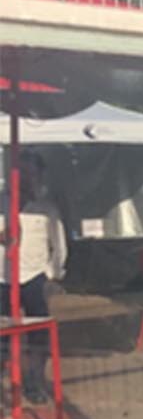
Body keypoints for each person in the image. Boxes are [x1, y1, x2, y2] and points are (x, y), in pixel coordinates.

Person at [0, 154, 68, 403]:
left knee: (39, 334)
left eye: (31, 175)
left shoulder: (46, 209)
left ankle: (34, 381)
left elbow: (58, 242)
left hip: (34, 276)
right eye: (22, 174)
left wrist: (54, 273)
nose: (27, 180)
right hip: (2, 277)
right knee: (2, 334)